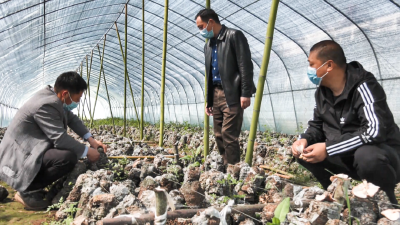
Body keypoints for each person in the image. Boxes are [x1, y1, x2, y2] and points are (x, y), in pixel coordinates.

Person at [292, 40, 400, 203]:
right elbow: (316, 125)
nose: (310, 70)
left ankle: (387, 204)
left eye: (312, 64)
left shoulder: (364, 86)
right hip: (347, 156)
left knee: (367, 157)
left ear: (329, 65)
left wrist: (329, 148)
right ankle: (335, 196)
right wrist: (304, 139)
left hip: (384, 158)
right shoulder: (322, 93)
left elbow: (374, 131)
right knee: (305, 152)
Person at [0, 71, 107, 210]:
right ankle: (27, 191)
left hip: (30, 148)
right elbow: (60, 139)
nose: (78, 102)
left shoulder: (53, 98)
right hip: (19, 156)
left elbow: (72, 119)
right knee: (67, 158)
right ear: (65, 93)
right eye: (77, 98)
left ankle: (32, 186)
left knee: (67, 153)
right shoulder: (46, 105)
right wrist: (87, 151)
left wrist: (91, 140)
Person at [195, 9, 256, 165]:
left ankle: (233, 169)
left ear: (211, 22)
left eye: (201, 26)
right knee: (218, 134)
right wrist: (209, 101)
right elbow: (209, 74)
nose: (201, 31)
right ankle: (225, 165)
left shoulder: (234, 36)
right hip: (215, 93)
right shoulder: (208, 45)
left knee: (228, 133)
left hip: (232, 92)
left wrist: (245, 92)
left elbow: (245, 65)